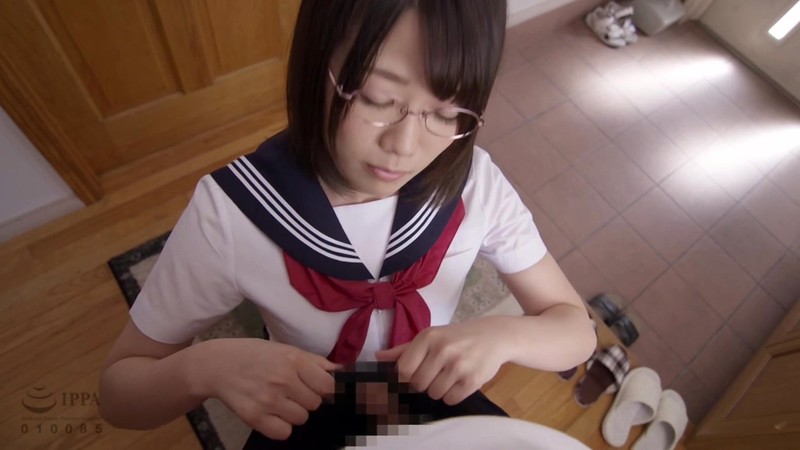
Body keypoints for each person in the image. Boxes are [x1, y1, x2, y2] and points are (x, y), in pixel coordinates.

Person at [98, 0, 597, 446]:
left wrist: (503, 337)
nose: (404, 147)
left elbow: (576, 329)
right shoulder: (231, 215)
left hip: (428, 400)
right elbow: (119, 395)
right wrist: (204, 367)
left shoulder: (475, 184)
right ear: (316, 63)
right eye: (377, 98)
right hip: (307, 409)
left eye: (448, 112)